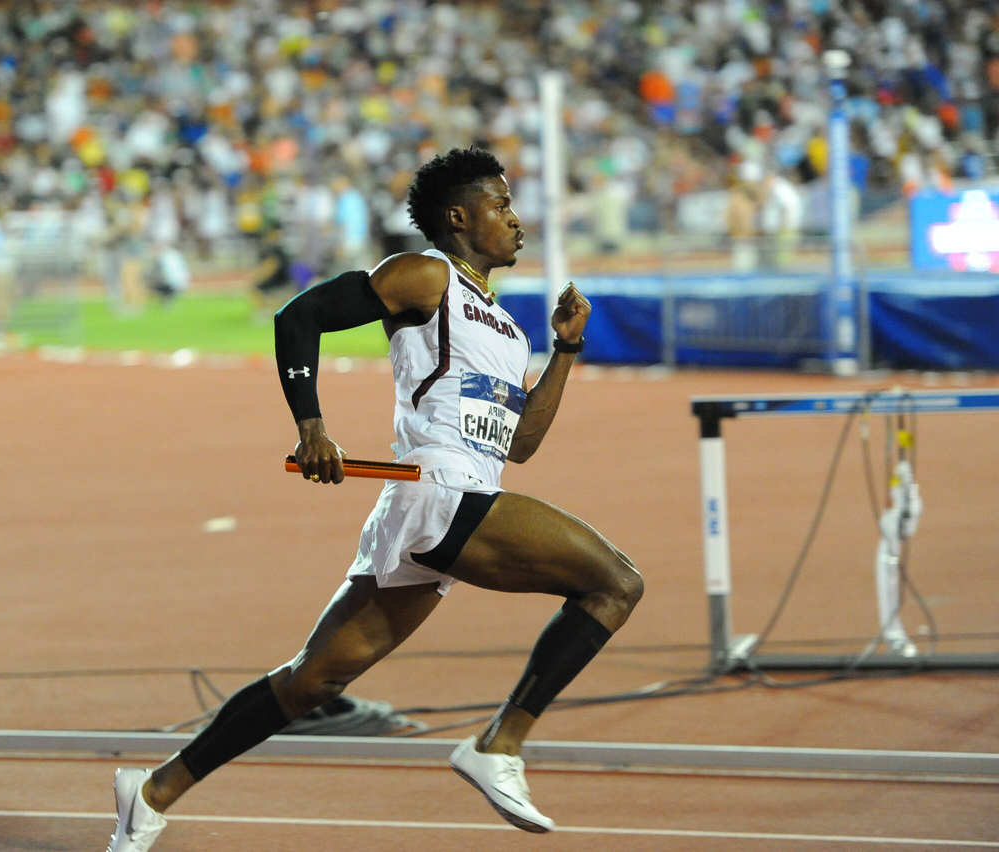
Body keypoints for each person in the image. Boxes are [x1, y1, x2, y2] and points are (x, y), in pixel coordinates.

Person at [105, 147, 644, 851]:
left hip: (455, 495)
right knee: (615, 583)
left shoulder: (508, 331)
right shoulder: (425, 275)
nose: (516, 219)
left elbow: (521, 445)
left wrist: (564, 352)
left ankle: (150, 794)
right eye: (501, 206)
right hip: (440, 490)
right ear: (459, 217)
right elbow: (297, 318)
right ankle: (499, 743)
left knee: (313, 681)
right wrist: (312, 427)